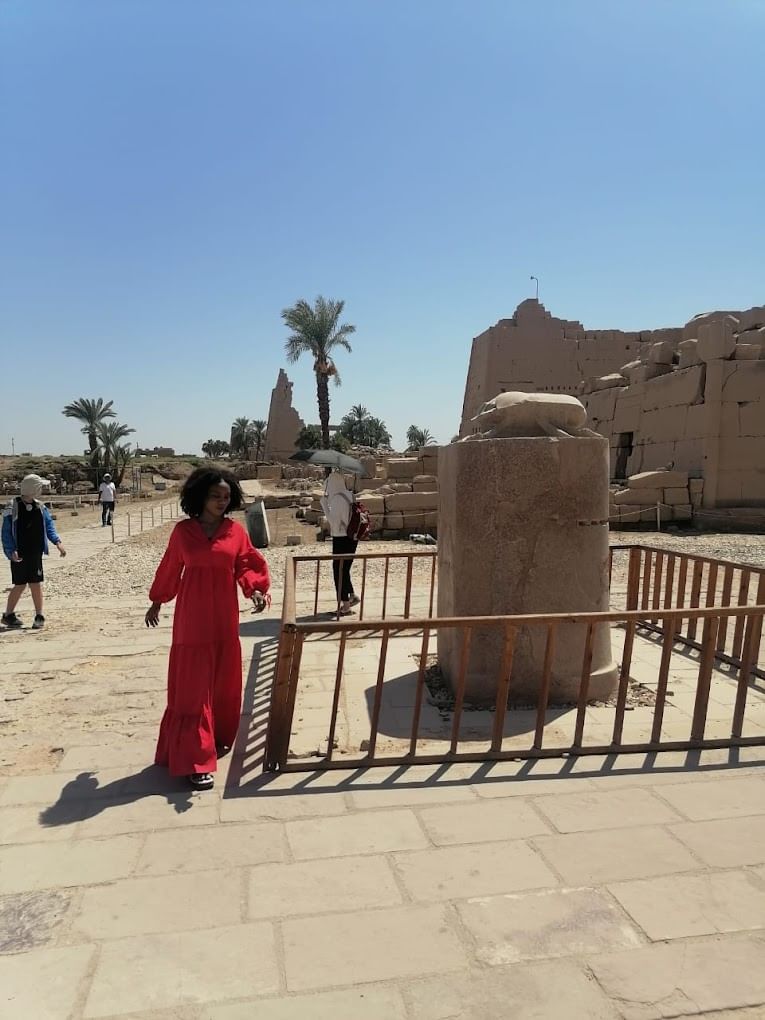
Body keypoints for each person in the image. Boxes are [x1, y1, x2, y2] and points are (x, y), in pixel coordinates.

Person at [145, 467, 270, 791]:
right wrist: (158, 600)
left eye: (227, 497)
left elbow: (246, 563)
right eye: (216, 495)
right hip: (192, 621)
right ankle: (196, 760)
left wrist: (255, 589)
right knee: (193, 690)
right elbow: (171, 566)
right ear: (200, 496)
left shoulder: (235, 531)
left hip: (225, 620)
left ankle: (215, 736)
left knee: (221, 682)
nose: (221, 501)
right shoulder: (183, 532)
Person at [1, 474, 66, 630]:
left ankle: (39, 615)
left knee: (35, 583)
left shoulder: (40, 507)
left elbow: (49, 526)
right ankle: (8, 615)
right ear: (32, 488)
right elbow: (6, 533)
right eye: (39, 487)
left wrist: (57, 542)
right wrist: (10, 551)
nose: (41, 490)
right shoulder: (12, 507)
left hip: (35, 552)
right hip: (19, 553)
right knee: (20, 585)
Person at [321, 469, 359, 616]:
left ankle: (345, 606)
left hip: (341, 537)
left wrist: (324, 505)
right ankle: (351, 595)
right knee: (345, 568)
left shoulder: (336, 499)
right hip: (352, 537)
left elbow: (334, 523)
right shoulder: (350, 494)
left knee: (338, 571)